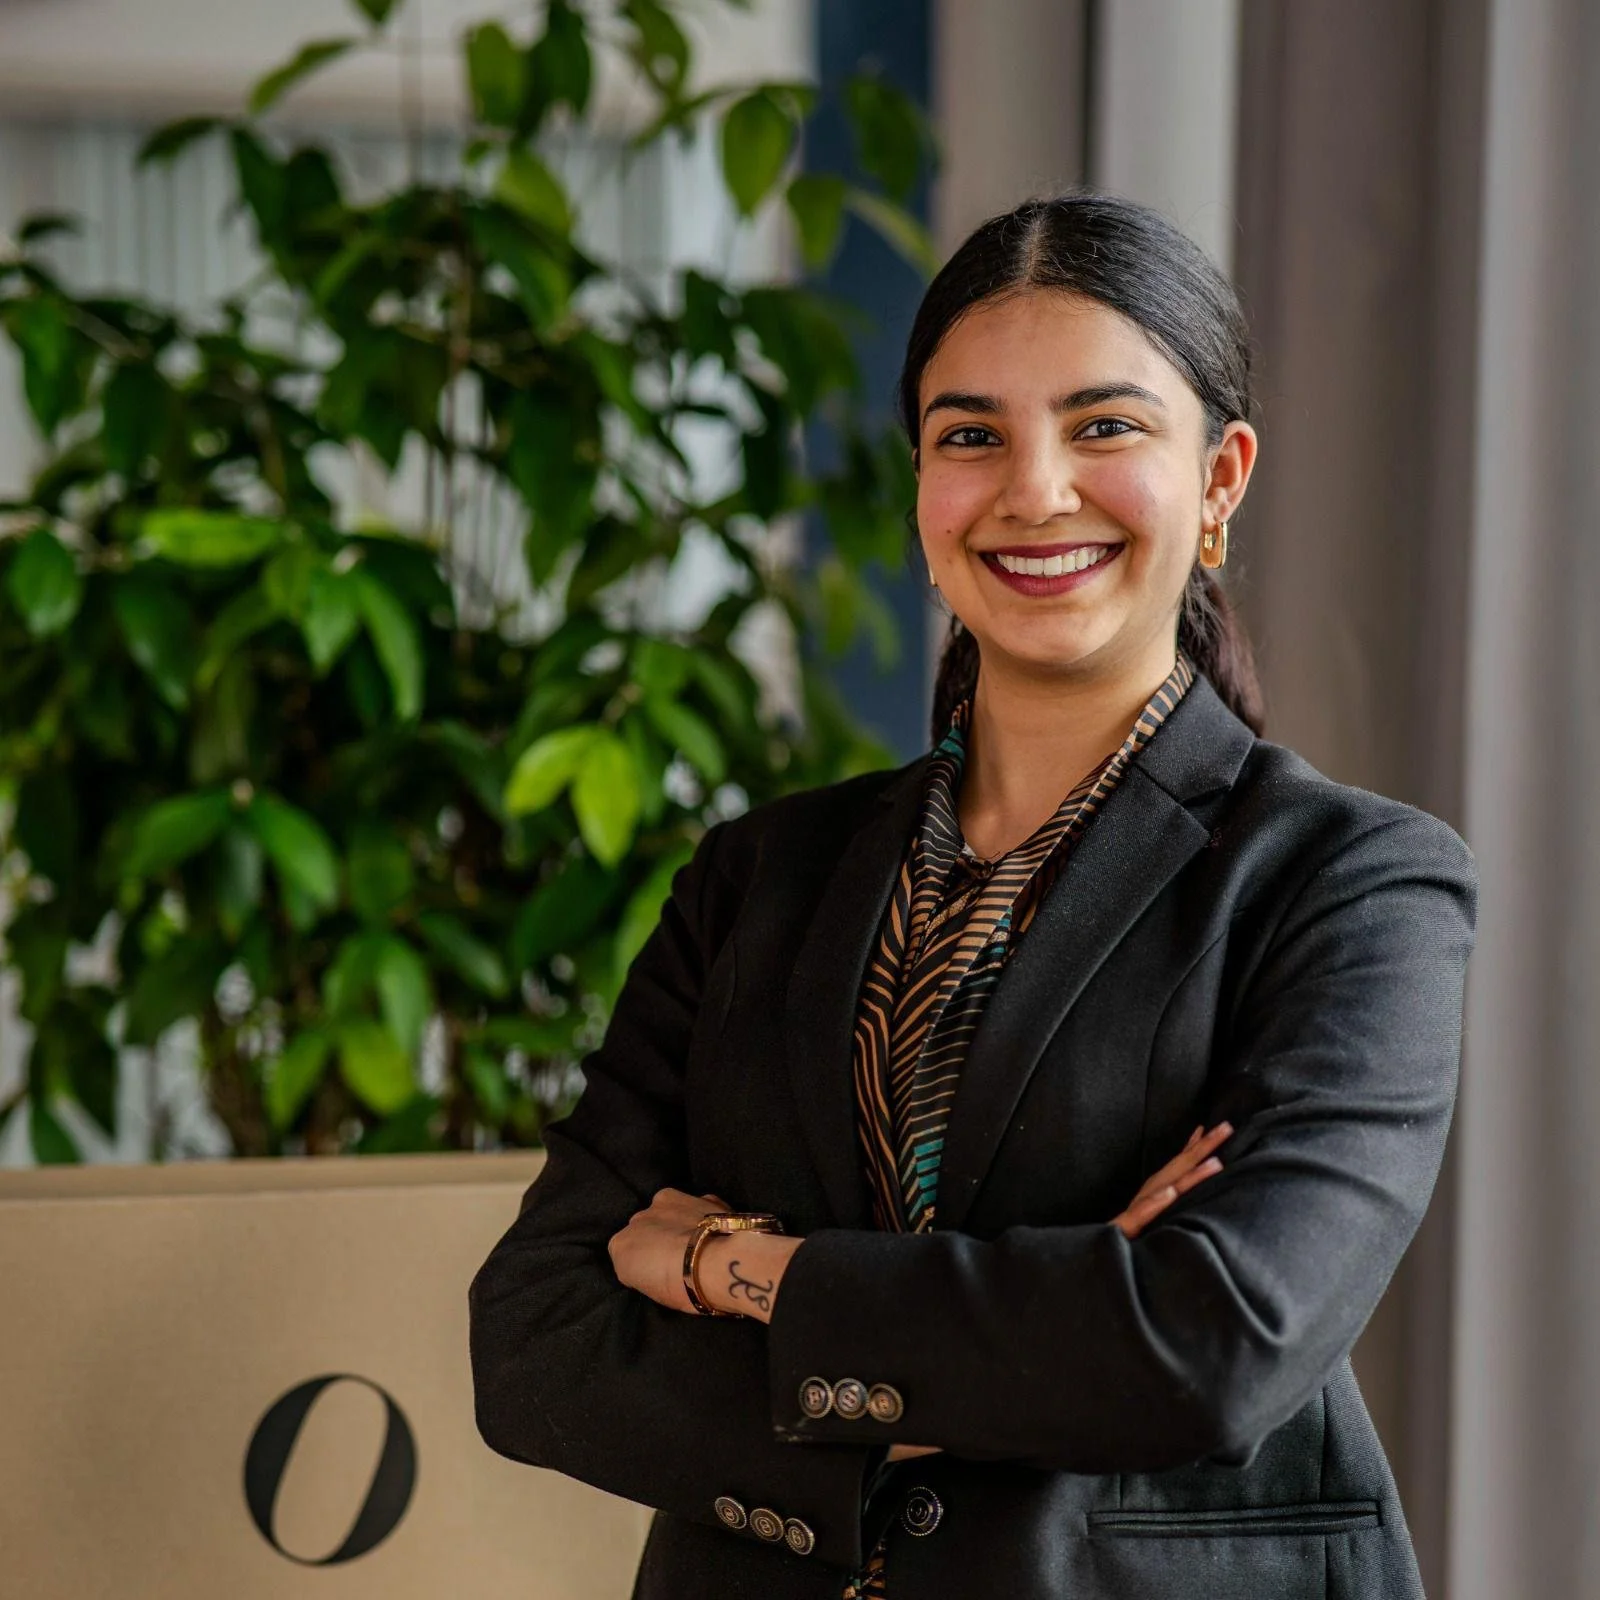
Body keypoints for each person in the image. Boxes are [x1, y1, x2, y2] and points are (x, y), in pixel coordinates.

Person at [468, 192, 1477, 1600]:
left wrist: (741, 1272)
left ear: (1221, 478)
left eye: (1105, 426)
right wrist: (1052, 1322)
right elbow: (533, 1340)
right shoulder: (757, 876)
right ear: (920, 484)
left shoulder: (1352, 884)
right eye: (971, 435)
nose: (1034, 490)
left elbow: (1213, 1345)